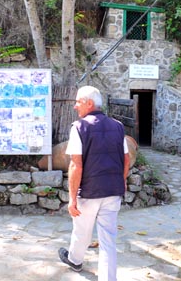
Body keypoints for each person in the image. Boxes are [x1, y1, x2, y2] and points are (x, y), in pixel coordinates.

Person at [58, 85, 130, 281]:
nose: (75, 106)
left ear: (89, 103)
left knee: (82, 231)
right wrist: (122, 182)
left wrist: (72, 198)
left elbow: (76, 165)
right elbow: (126, 158)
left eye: (78, 102)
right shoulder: (118, 126)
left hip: (89, 192)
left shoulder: (79, 128)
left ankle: (75, 260)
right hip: (112, 191)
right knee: (108, 240)